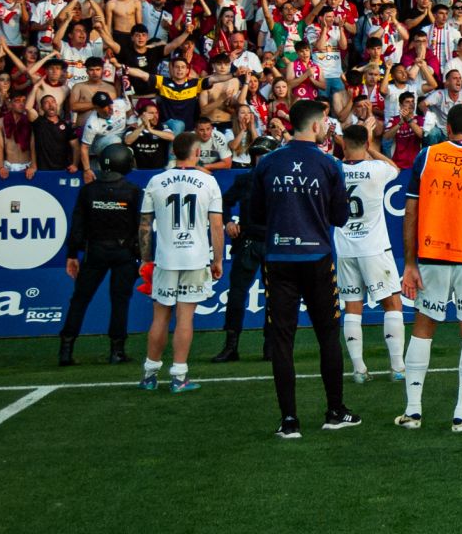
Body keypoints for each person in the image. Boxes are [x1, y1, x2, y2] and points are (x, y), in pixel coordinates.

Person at [246, 98, 358, 439]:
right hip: (318, 258)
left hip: (279, 258)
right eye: (324, 122)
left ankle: (289, 420)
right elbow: (341, 216)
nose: (326, 126)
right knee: (327, 335)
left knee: (282, 340)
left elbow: (256, 216)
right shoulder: (328, 165)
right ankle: (335, 411)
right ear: (315, 125)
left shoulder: (267, 163)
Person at [398, 102, 462, 433]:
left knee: (423, 328)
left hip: (432, 254)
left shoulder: (427, 156)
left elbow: (410, 212)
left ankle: (413, 412)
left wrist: (409, 262)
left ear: (447, 128)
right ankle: (461, 415)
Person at [136, 132, 225, 393]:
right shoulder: (208, 181)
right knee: (185, 317)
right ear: (197, 153)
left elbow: (144, 224)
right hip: (195, 258)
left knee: (160, 317)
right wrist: (217, 259)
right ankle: (179, 376)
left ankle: (150, 374)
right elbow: (216, 226)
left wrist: (145, 258)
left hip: (166, 257)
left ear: (173, 152)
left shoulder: (156, 180)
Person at [57, 142, 143, 366]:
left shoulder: (88, 191)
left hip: (95, 251)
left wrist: (72, 255)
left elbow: (77, 225)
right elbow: (140, 228)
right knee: (120, 301)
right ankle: (117, 351)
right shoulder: (132, 191)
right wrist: (143, 257)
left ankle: (66, 349)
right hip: (123, 252)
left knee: (80, 299)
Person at [334, 124, 407, 385]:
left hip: (344, 248)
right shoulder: (377, 169)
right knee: (392, 303)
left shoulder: (335, 169)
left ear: (343, 144)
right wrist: (372, 149)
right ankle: (397, 366)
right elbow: (395, 168)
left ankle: (359, 370)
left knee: (352, 307)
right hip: (374, 248)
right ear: (366, 143)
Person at [209, 167, 267, 363]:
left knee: (277, 296)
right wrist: (227, 222)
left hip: (273, 242)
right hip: (248, 241)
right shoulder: (245, 179)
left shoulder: (280, 178)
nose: (261, 159)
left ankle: (272, 345)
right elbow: (224, 202)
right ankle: (231, 346)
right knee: (236, 294)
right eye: (257, 155)